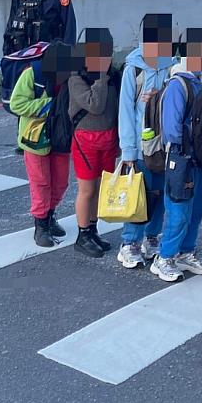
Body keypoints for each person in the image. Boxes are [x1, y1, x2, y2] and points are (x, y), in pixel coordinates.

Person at [149, 36, 202, 282]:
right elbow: (172, 128)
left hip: (195, 157)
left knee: (196, 208)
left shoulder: (201, 81)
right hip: (181, 156)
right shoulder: (178, 84)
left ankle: (185, 252)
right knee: (178, 208)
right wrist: (193, 146)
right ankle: (165, 257)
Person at [116, 14, 178, 269]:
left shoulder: (172, 65)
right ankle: (129, 242)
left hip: (164, 146)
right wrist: (128, 150)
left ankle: (150, 238)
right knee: (138, 195)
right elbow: (125, 111)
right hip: (141, 149)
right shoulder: (134, 68)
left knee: (159, 194)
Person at [9, 44, 71, 247]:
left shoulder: (71, 75)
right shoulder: (32, 74)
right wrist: (47, 105)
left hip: (61, 136)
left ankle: (50, 215)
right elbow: (16, 104)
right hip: (35, 138)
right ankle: (41, 224)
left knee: (61, 182)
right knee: (41, 182)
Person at [67, 29, 119, 258]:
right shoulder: (77, 77)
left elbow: (116, 108)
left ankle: (93, 229)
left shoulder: (114, 75)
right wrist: (100, 77)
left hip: (108, 138)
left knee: (101, 187)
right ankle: (82, 234)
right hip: (85, 139)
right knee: (86, 189)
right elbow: (95, 105)